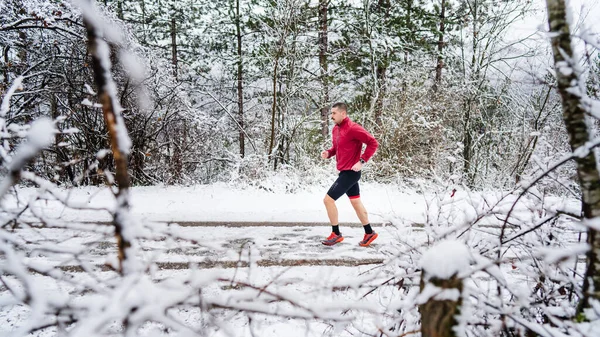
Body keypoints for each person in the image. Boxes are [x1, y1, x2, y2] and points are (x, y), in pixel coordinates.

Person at [320, 102, 379, 247]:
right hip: (344, 171)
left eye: (334, 113)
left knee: (328, 200)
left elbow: (373, 143)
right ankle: (369, 232)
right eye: (331, 113)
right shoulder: (336, 129)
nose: (331, 116)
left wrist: (362, 161)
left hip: (351, 173)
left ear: (343, 114)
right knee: (356, 202)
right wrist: (328, 153)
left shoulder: (353, 128)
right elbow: (336, 148)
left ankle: (336, 234)